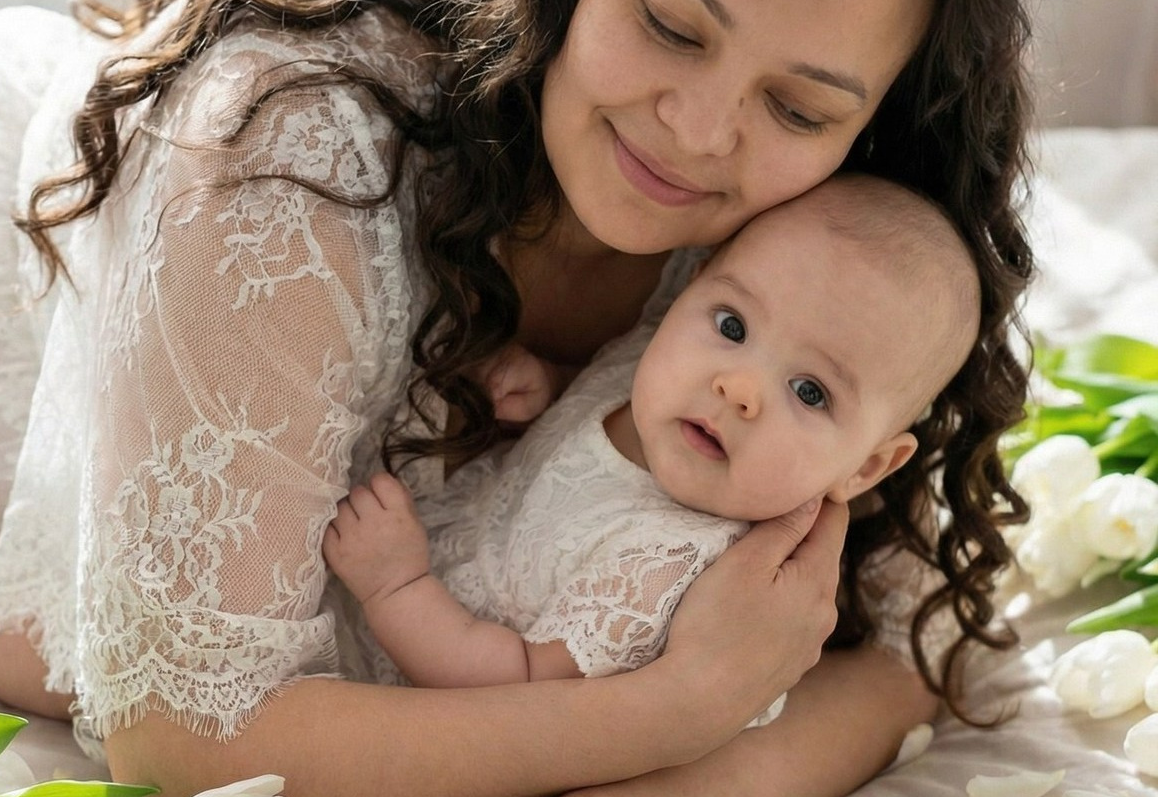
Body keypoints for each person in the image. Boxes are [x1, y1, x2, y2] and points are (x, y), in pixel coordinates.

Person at [0, 0, 1034, 797]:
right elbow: (181, 761)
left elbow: (920, 633)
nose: (696, 130)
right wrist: (669, 715)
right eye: (670, 25)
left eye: (797, 106)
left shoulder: (814, 248)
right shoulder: (287, 155)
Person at [325, 175, 979, 691]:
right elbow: (597, 399)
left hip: (425, 670)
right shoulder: (658, 368)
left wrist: (398, 588)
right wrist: (548, 386)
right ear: (690, 292)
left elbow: (517, 686)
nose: (738, 387)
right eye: (732, 326)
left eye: (810, 391)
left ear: (863, 468)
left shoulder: (677, 568)